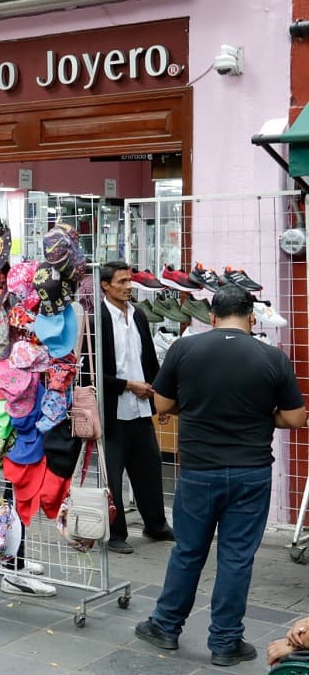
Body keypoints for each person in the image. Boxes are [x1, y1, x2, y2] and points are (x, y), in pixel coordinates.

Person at [135, 284, 306, 667]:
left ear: (211, 317)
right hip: (251, 472)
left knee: (188, 551)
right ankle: (226, 643)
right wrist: (262, 415)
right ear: (251, 317)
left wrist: (196, 407)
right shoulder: (272, 358)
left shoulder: (185, 349)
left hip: (199, 469)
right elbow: (296, 418)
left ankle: (165, 626)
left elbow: (162, 403)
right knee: (236, 558)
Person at [99, 261, 174, 553]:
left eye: (129, 281)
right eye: (122, 282)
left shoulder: (139, 315)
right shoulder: (98, 319)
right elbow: (92, 373)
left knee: (149, 468)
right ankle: (115, 534)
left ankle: (155, 525)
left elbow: (150, 362)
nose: (129, 286)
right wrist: (128, 385)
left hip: (141, 407)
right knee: (113, 476)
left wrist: (160, 399)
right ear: (106, 285)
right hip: (114, 411)